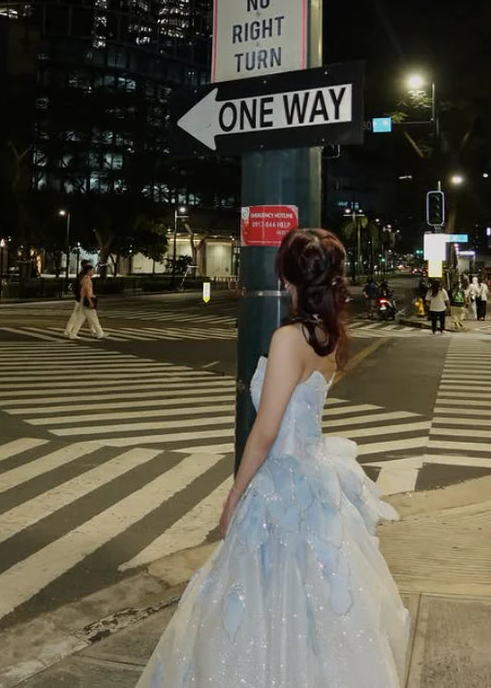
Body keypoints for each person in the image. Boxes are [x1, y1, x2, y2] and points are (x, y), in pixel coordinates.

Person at [136, 229, 409, 687]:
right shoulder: (327, 334)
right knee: (313, 601)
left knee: (261, 597)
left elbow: (266, 431)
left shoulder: (289, 338)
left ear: (288, 277)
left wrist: (235, 492)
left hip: (282, 480)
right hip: (313, 478)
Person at [63, 259, 91, 338]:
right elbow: (81, 288)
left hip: (80, 298)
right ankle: (70, 331)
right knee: (79, 315)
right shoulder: (83, 276)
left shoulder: (82, 275)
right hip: (81, 298)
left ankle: (69, 330)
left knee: (82, 315)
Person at [78, 264, 105, 339]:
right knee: (94, 318)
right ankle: (100, 333)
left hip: (85, 300)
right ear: (88, 271)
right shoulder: (87, 279)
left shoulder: (85, 278)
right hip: (88, 299)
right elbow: (86, 291)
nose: (93, 272)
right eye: (92, 270)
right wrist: (90, 301)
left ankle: (73, 333)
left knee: (80, 318)